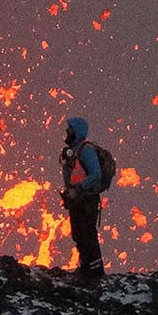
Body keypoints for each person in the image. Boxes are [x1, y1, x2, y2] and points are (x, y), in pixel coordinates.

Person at [60, 117, 105, 283]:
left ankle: (95, 272)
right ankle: (86, 268)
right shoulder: (74, 151)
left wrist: (78, 188)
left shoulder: (86, 150)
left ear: (76, 131)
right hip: (77, 200)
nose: (66, 132)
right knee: (78, 233)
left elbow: (96, 174)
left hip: (87, 200)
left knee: (87, 233)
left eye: (69, 129)